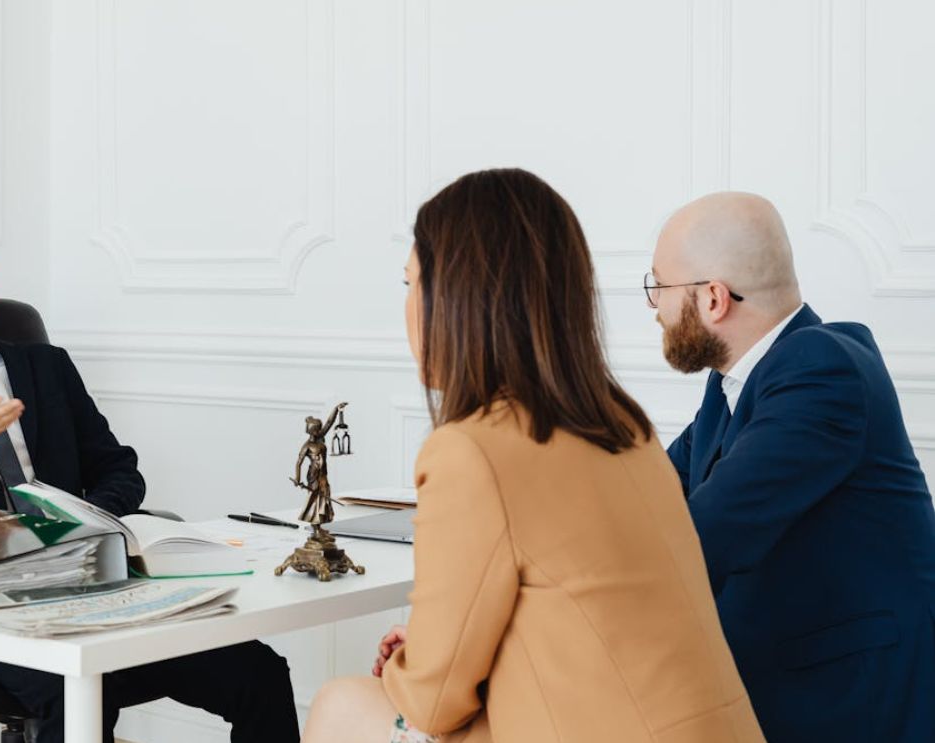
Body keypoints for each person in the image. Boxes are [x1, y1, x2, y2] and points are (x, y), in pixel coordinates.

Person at [302, 169, 764, 743]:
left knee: (340, 705)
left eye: (410, 284)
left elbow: (434, 700)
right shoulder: (623, 426)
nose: (408, 309)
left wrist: (417, 662)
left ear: (457, 298)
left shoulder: (471, 451)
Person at [0, 226, 300, 743]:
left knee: (257, 672)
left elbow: (120, 469)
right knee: (76, 691)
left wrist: (80, 524)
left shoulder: (46, 364)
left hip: (78, 577)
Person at [650, 192, 935, 742]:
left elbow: (704, 534)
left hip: (853, 702)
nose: (654, 308)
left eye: (658, 287)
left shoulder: (823, 367)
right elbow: (650, 493)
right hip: (792, 686)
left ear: (713, 299)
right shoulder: (731, 385)